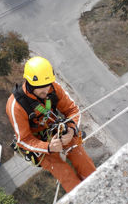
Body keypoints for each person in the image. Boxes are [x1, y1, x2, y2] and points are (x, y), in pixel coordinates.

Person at [6, 56, 96, 193]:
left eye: (47, 86)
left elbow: (72, 110)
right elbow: (23, 140)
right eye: (41, 88)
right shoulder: (16, 106)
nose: (46, 91)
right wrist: (48, 147)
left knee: (83, 160)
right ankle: (82, 198)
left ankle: (97, 186)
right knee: (66, 175)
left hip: (58, 131)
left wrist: (71, 129)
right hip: (40, 145)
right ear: (29, 84)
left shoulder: (53, 88)